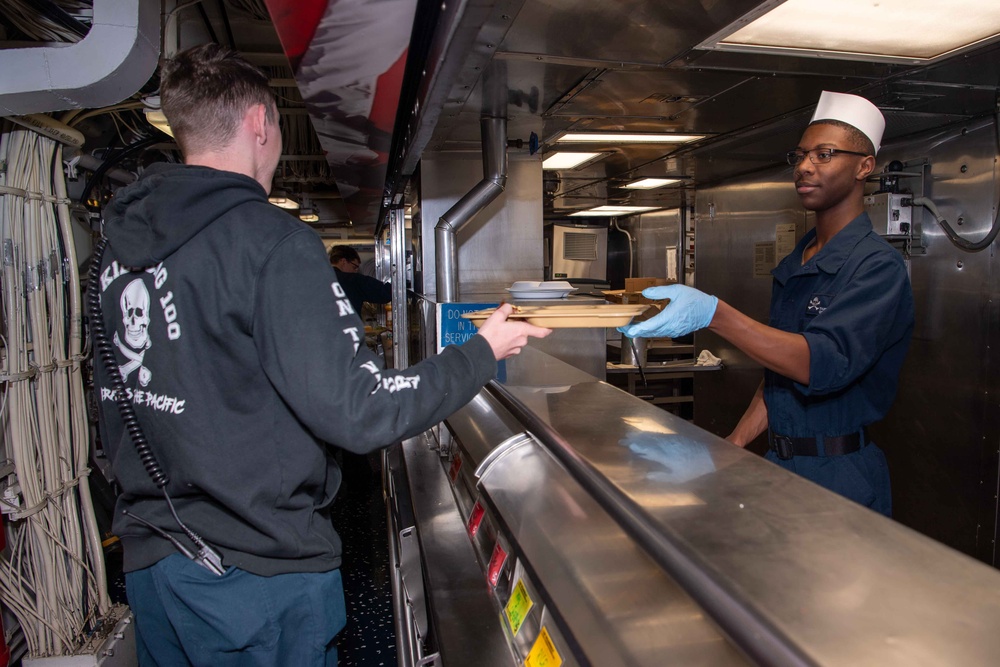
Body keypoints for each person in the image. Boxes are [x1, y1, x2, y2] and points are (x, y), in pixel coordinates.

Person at [92, 43, 549, 667]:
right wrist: (481, 350)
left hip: (156, 564)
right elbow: (360, 412)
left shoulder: (119, 247)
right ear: (260, 123)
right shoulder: (272, 242)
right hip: (252, 578)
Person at [621, 91, 914, 517]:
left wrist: (715, 315)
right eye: (800, 154)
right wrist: (733, 447)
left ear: (864, 167)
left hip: (837, 475)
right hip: (781, 463)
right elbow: (780, 375)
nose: (804, 166)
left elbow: (816, 365)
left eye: (824, 154)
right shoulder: (799, 260)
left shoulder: (876, 268)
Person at [328, 244, 391, 317]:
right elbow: (385, 292)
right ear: (343, 261)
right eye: (354, 267)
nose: (355, 271)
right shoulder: (352, 280)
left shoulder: (317, 279)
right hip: (347, 326)